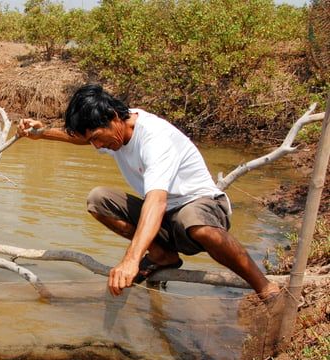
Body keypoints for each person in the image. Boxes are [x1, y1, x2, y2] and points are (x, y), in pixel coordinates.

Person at [17, 84, 280, 301]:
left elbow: (156, 201)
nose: (97, 147)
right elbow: (84, 136)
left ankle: (264, 286)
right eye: (91, 141)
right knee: (98, 199)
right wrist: (43, 134)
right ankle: (163, 255)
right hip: (166, 216)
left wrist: (131, 260)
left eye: (97, 137)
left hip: (201, 206)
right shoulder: (115, 130)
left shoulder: (154, 139)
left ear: (113, 117)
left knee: (195, 223)